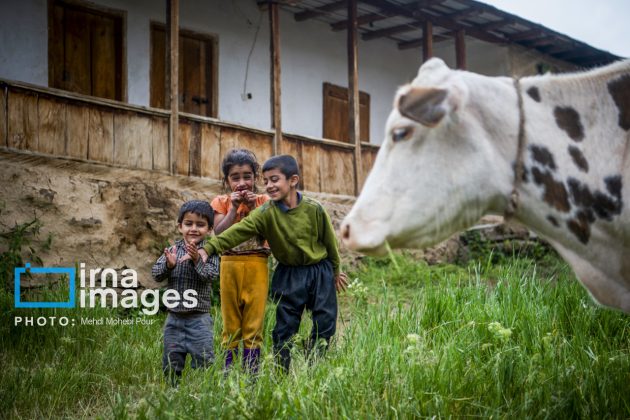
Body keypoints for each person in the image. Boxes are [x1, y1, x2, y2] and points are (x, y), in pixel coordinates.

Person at [201, 154, 348, 372]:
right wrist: (209, 248)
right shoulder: (265, 212)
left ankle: (314, 360)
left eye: (275, 180)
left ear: (293, 180)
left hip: (320, 271)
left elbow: (330, 242)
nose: (269, 186)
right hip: (288, 273)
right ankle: (282, 369)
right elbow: (238, 232)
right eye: (266, 181)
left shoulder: (314, 209)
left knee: (326, 320)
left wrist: (336, 271)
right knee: (285, 326)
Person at [212, 149, 270, 374]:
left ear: (255, 177)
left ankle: (252, 373)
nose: (242, 182)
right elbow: (219, 233)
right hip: (229, 264)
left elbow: (267, 233)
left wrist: (255, 207)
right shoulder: (221, 202)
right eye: (235, 177)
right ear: (226, 180)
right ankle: (228, 371)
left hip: (257, 263)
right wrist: (234, 208)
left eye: (247, 176)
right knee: (231, 319)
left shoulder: (264, 201)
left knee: (254, 320)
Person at [152, 200, 220, 385]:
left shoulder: (210, 253)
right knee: (171, 362)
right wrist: (169, 265)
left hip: (199, 320)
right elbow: (156, 275)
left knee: (205, 360)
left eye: (200, 224)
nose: (194, 229)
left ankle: (204, 392)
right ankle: (172, 391)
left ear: (210, 228)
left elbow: (211, 276)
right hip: (174, 319)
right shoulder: (173, 250)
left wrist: (197, 259)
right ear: (180, 226)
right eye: (188, 224)